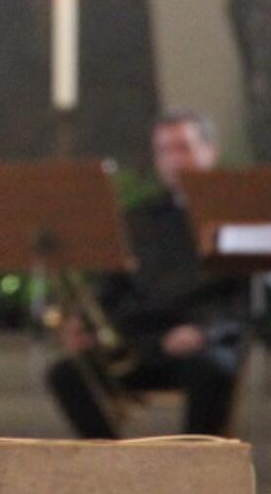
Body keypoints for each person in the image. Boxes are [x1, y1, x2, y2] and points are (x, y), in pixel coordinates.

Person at [46, 110, 251, 440]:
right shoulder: (138, 220)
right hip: (143, 344)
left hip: (206, 346)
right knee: (68, 374)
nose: (173, 159)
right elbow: (111, 286)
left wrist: (203, 332)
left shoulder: (241, 216)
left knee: (213, 370)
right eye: (164, 150)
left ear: (209, 152)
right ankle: (115, 469)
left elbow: (251, 297)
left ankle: (198, 475)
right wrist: (85, 323)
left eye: (182, 147)